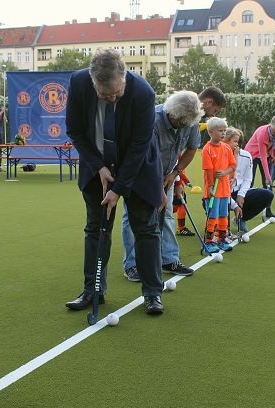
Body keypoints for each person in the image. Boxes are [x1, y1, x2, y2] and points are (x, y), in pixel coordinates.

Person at [65, 48, 165, 315]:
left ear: (124, 76)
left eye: (116, 93)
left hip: (137, 167)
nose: (111, 98)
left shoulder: (143, 93)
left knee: (145, 228)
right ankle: (93, 289)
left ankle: (152, 293)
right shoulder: (78, 83)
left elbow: (139, 145)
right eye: (104, 94)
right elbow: (74, 129)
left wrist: (118, 188)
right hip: (96, 165)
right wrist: (98, 166)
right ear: (93, 81)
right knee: (96, 228)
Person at [121, 90, 202, 282]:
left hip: (168, 173)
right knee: (134, 217)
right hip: (140, 172)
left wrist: (175, 174)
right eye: (182, 122)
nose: (185, 126)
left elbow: (192, 149)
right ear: (173, 114)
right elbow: (147, 158)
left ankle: (168, 260)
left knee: (166, 215)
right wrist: (158, 190)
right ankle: (132, 265)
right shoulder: (152, 120)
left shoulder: (190, 121)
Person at [224, 127, 274, 233]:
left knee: (267, 194)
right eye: (234, 141)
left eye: (237, 142)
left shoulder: (246, 156)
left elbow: (247, 179)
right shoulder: (219, 156)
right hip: (222, 194)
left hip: (237, 192)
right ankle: (217, 222)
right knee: (223, 228)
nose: (236, 145)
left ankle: (241, 219)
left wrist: (241, 195)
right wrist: (234, 205)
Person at [201, 117, 236, 253]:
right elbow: (208, 170)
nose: (223, 133)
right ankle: (208, 241)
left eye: (224, 131)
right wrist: (210, 187)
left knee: (223, 215)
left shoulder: (226, 148)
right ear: (211, 132)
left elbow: (233, 166)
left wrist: (225, 172)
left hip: (225, 189)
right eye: (220, 131)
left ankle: (222, 239)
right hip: (213, 190)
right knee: (212, 215)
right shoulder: (207, 149)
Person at [244, 115, 275, 219]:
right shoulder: (263, 133)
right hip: (252, 154)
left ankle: (268, 210)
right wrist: (267, 176)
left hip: (267, 154)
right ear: (271, 126)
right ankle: (244, 208)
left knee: (268, 185)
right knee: (250, 182)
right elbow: (262, 156)